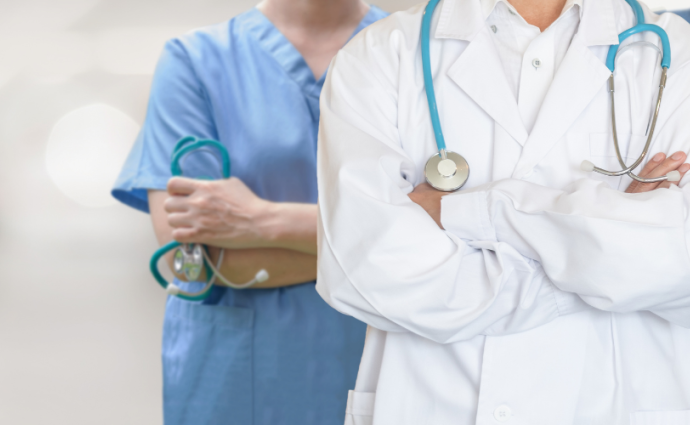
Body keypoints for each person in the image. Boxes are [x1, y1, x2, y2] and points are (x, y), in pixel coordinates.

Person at [316, 0, 690, 424]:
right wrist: (608, 261)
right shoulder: (381, 56)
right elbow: (366, 268)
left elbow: (680, 260)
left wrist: (472, 209)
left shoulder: (678, 57)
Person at [112, 1, 387, 424]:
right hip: (236, 383)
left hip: (386, 369)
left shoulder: (413, 56)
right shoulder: (195, 61)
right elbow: (192, 261)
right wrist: (381, 247)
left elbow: (453, 236)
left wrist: (260, 221)